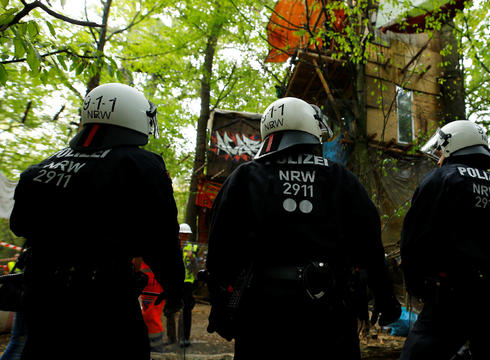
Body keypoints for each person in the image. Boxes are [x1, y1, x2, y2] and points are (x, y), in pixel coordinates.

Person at [205, 97, 401, 359]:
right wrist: (386, 301)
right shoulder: (342, 178)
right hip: (330, 317)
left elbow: (220, 251)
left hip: (262, 318)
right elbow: (371, 248)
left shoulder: (245, 177)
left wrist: (220, 308)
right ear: (312, 129)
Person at [9, 83, 184, 360]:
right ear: (134, 116)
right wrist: (174, 287)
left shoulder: (42, 167)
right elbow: (161, 238)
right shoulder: (141, 165)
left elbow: (19, 224)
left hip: (40, 293)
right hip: (102, 298)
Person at [400, 120, 490, 360]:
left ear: (453, 145)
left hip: (449, 299)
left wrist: (415, 283)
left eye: (440, 151)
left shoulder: (440, 178)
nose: (438, 159)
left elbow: (413, 237)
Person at [179, 223, 198, 347]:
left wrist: (192, 258)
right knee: (173, 310)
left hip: (188, 283)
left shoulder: (192, 248)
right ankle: (172, 337)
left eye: (187, 234)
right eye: (182, 234)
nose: (184, 236)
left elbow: (196, 267)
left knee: (186, 311)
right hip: (177, 282)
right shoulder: (174, 247)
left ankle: (185, 337)